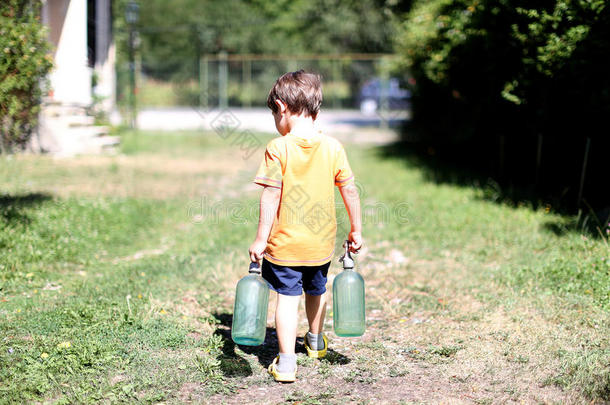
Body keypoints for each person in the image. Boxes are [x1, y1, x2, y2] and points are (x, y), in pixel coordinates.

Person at [248, 70, 363, 383]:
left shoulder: (278, 147)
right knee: (317, 289)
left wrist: (261, 239)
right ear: (317, 110)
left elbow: (271, 194)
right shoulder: (334, 147)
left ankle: (286, 363)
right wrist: (356, 229)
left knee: (287, 299)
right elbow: (350, 190)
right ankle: (314, 340)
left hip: (285, 245)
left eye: (275, 115)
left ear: (282, 108)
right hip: (321, 244)